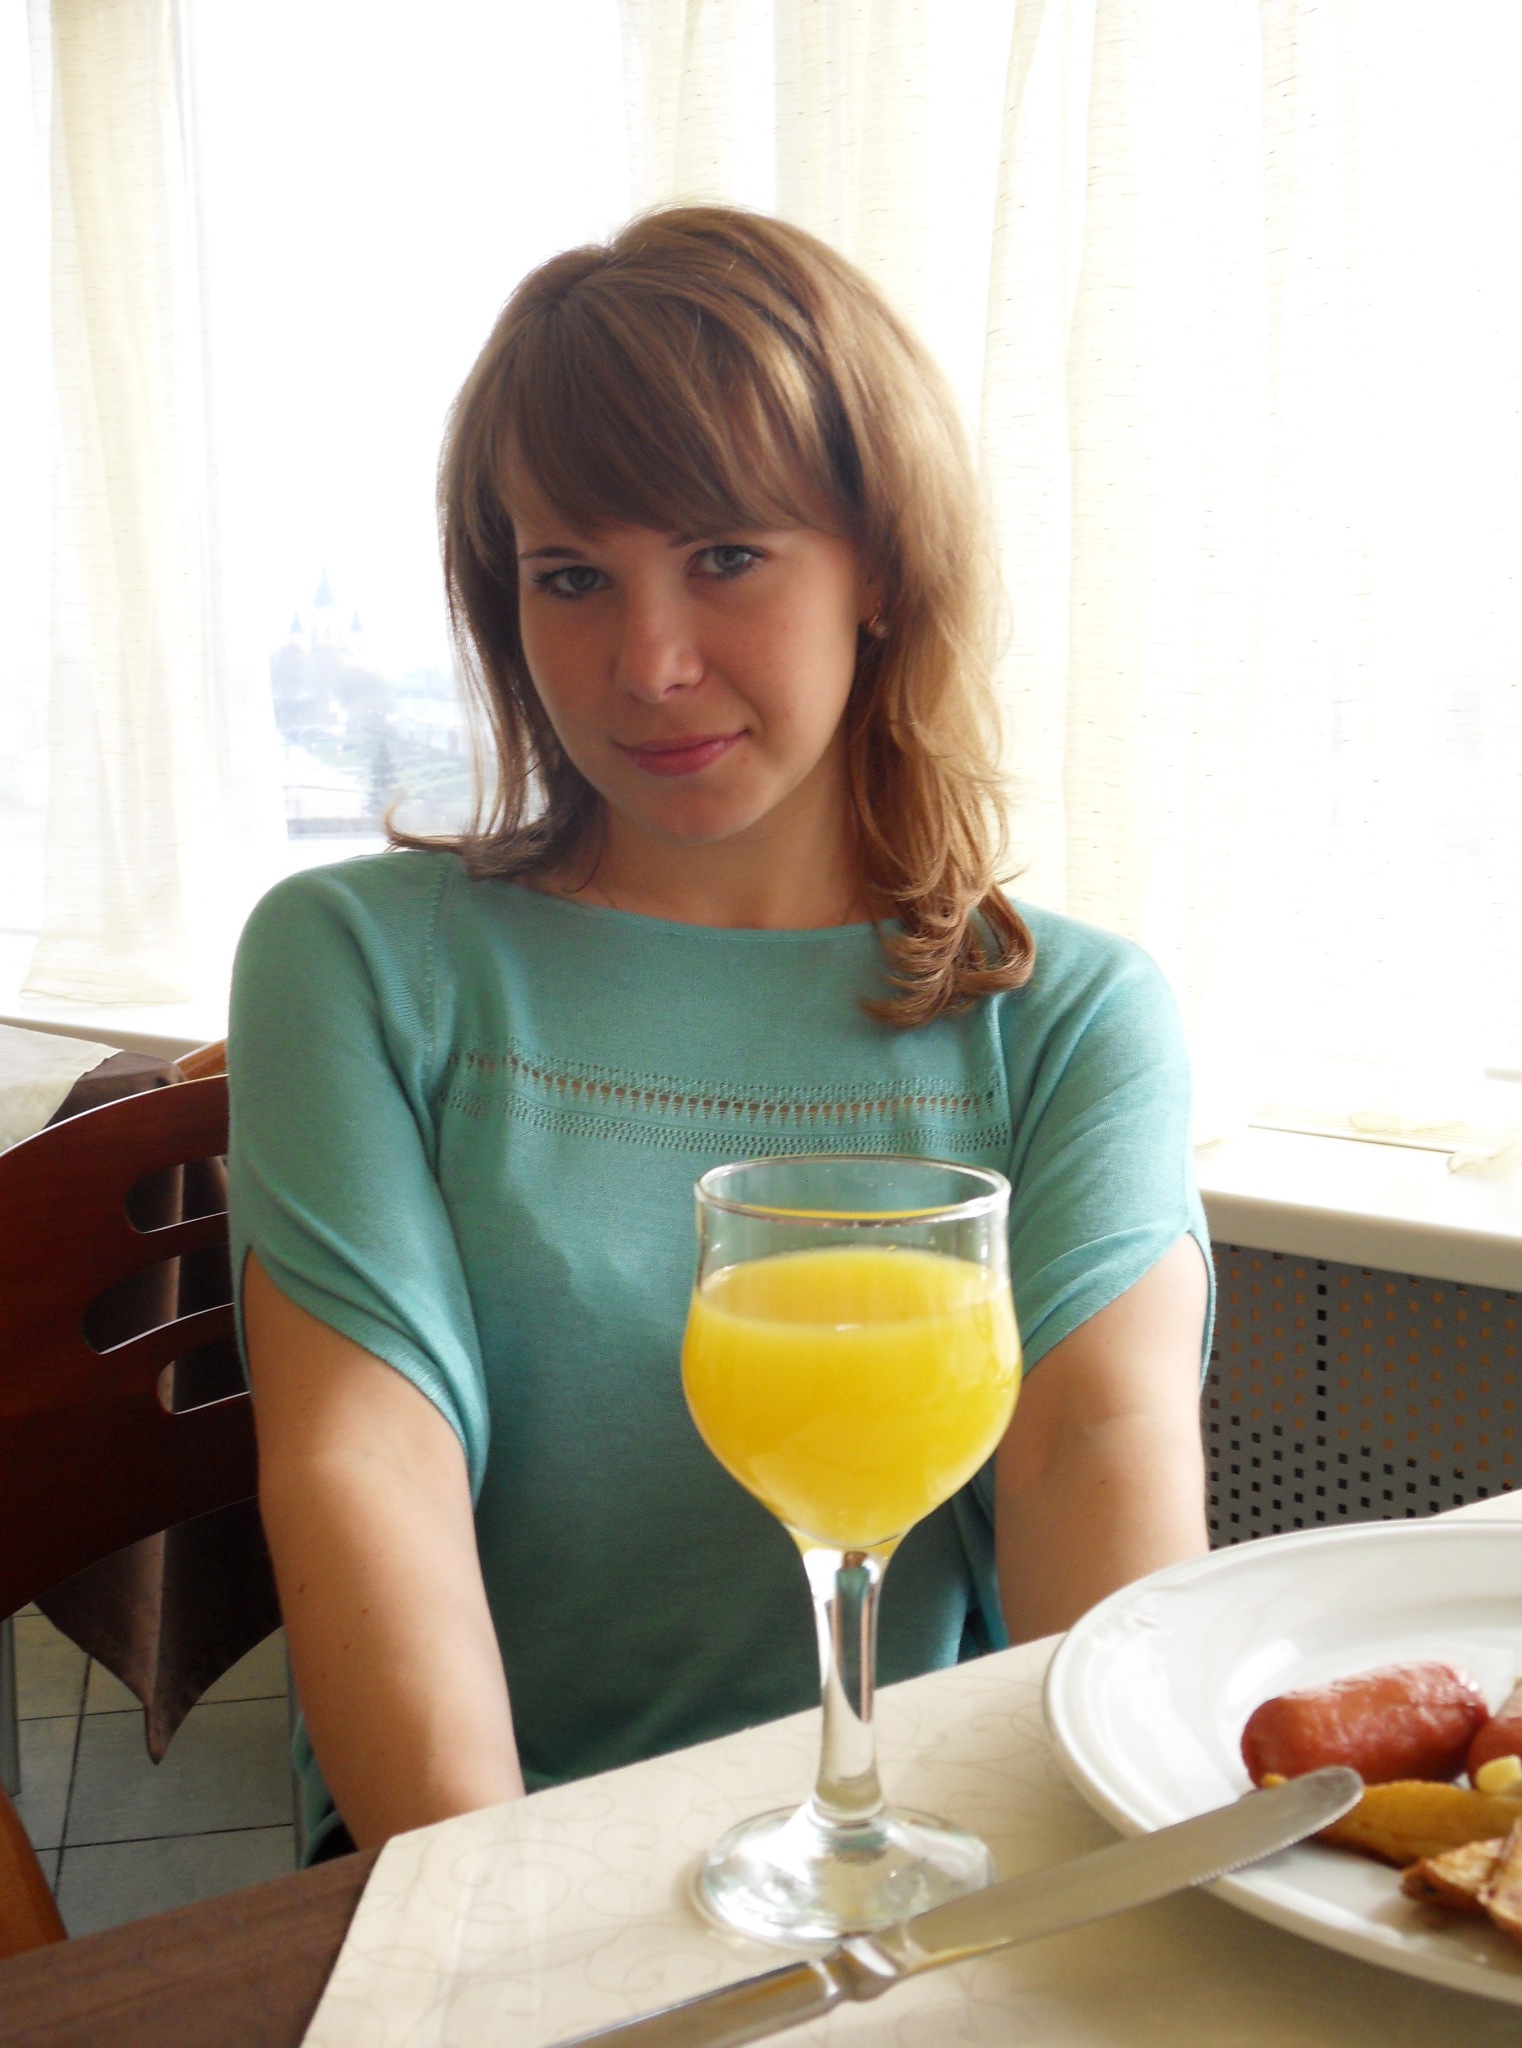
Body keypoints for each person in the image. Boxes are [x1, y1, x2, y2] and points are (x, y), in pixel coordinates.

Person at [230, 206, 1212, 1866]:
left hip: (915, 1862)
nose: (650, 663)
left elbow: (1089, 1458)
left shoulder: (1066, 1020)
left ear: (879, 565)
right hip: (480, 1869)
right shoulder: (361, 966)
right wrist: (506, 1938)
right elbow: (365, 1463)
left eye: (727, 557)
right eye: (571, 578)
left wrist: (1104, 1919)